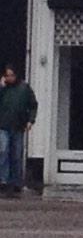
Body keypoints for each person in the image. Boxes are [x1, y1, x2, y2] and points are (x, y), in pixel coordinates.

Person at [0, 65, 38, 197]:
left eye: (11, 75)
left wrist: (30, 120)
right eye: (7, 75)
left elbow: (33, 105)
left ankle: (16, 182)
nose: (9, 78)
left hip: (18, 126)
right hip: (3, 125)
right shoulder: (3, 89)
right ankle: (3, 180)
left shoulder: (24, 88)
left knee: (16, 154)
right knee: (3, 151)